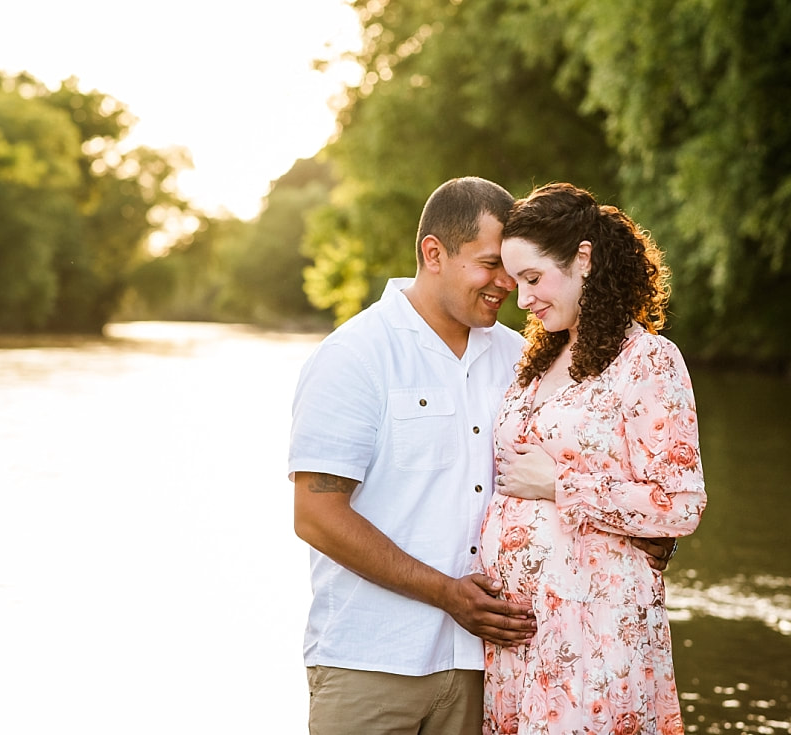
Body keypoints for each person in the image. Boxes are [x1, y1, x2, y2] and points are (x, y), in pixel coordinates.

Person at [289, 176, 678, 735]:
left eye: (519, 272)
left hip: (491, 666)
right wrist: (448, 595)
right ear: (434, 254)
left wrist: (637, 534)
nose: (508, 288)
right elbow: (316, 515)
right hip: (374, 660)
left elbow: (582, 473)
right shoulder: (355, 356)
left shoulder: (527, 359)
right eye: (491, 265)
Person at [478, 182, 707, 735]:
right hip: (518, 642)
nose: (523, 299)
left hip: (594, 635)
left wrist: (562, 484)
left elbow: (680, 503)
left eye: (534, 279)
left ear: (583, 258)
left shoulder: (647, 361)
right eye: (516, 284)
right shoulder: (538, 360)